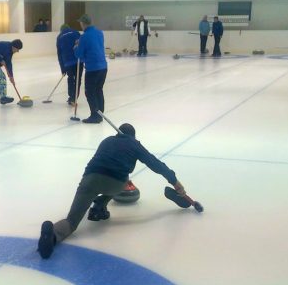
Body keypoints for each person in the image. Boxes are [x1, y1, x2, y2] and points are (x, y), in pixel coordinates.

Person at [38, 123, 187, 259]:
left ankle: (52, 236)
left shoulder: (106, 141)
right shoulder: (135, 145)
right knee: (125, 180)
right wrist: (174, 181)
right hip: (115, 183)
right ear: (133, 136)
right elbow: (155, 164)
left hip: (89, 180)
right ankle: (100, 205)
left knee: (71, 221)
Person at [74, 14, 107, 124]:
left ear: (83, 23)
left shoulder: (84, 37)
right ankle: (100, 113)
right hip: (103, 67)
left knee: (90, 92)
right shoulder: (100, 33)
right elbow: (95, 48)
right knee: (98, 90)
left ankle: (95, 116)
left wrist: (76, 47)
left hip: (93, 68)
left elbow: (79, 54)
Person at [56, 24, 83, 105]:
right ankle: (74, 98)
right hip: (78, 60)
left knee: (71, 78)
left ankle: (71, 97)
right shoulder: (76, 32)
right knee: (78, 79)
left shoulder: (59, 37)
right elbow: (82, 45)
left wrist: (63, 69)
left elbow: (59, 55)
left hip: (68, 62)